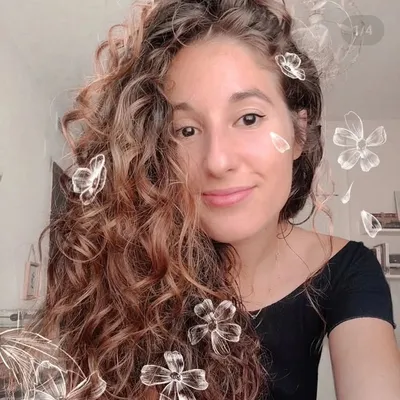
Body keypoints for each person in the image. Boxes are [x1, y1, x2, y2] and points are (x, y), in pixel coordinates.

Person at [33, 0, 400, 399]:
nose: (217, 161)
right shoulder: (135, 271)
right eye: (186, 130)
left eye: (248, 118)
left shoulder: (349, 269)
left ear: (298, 132)